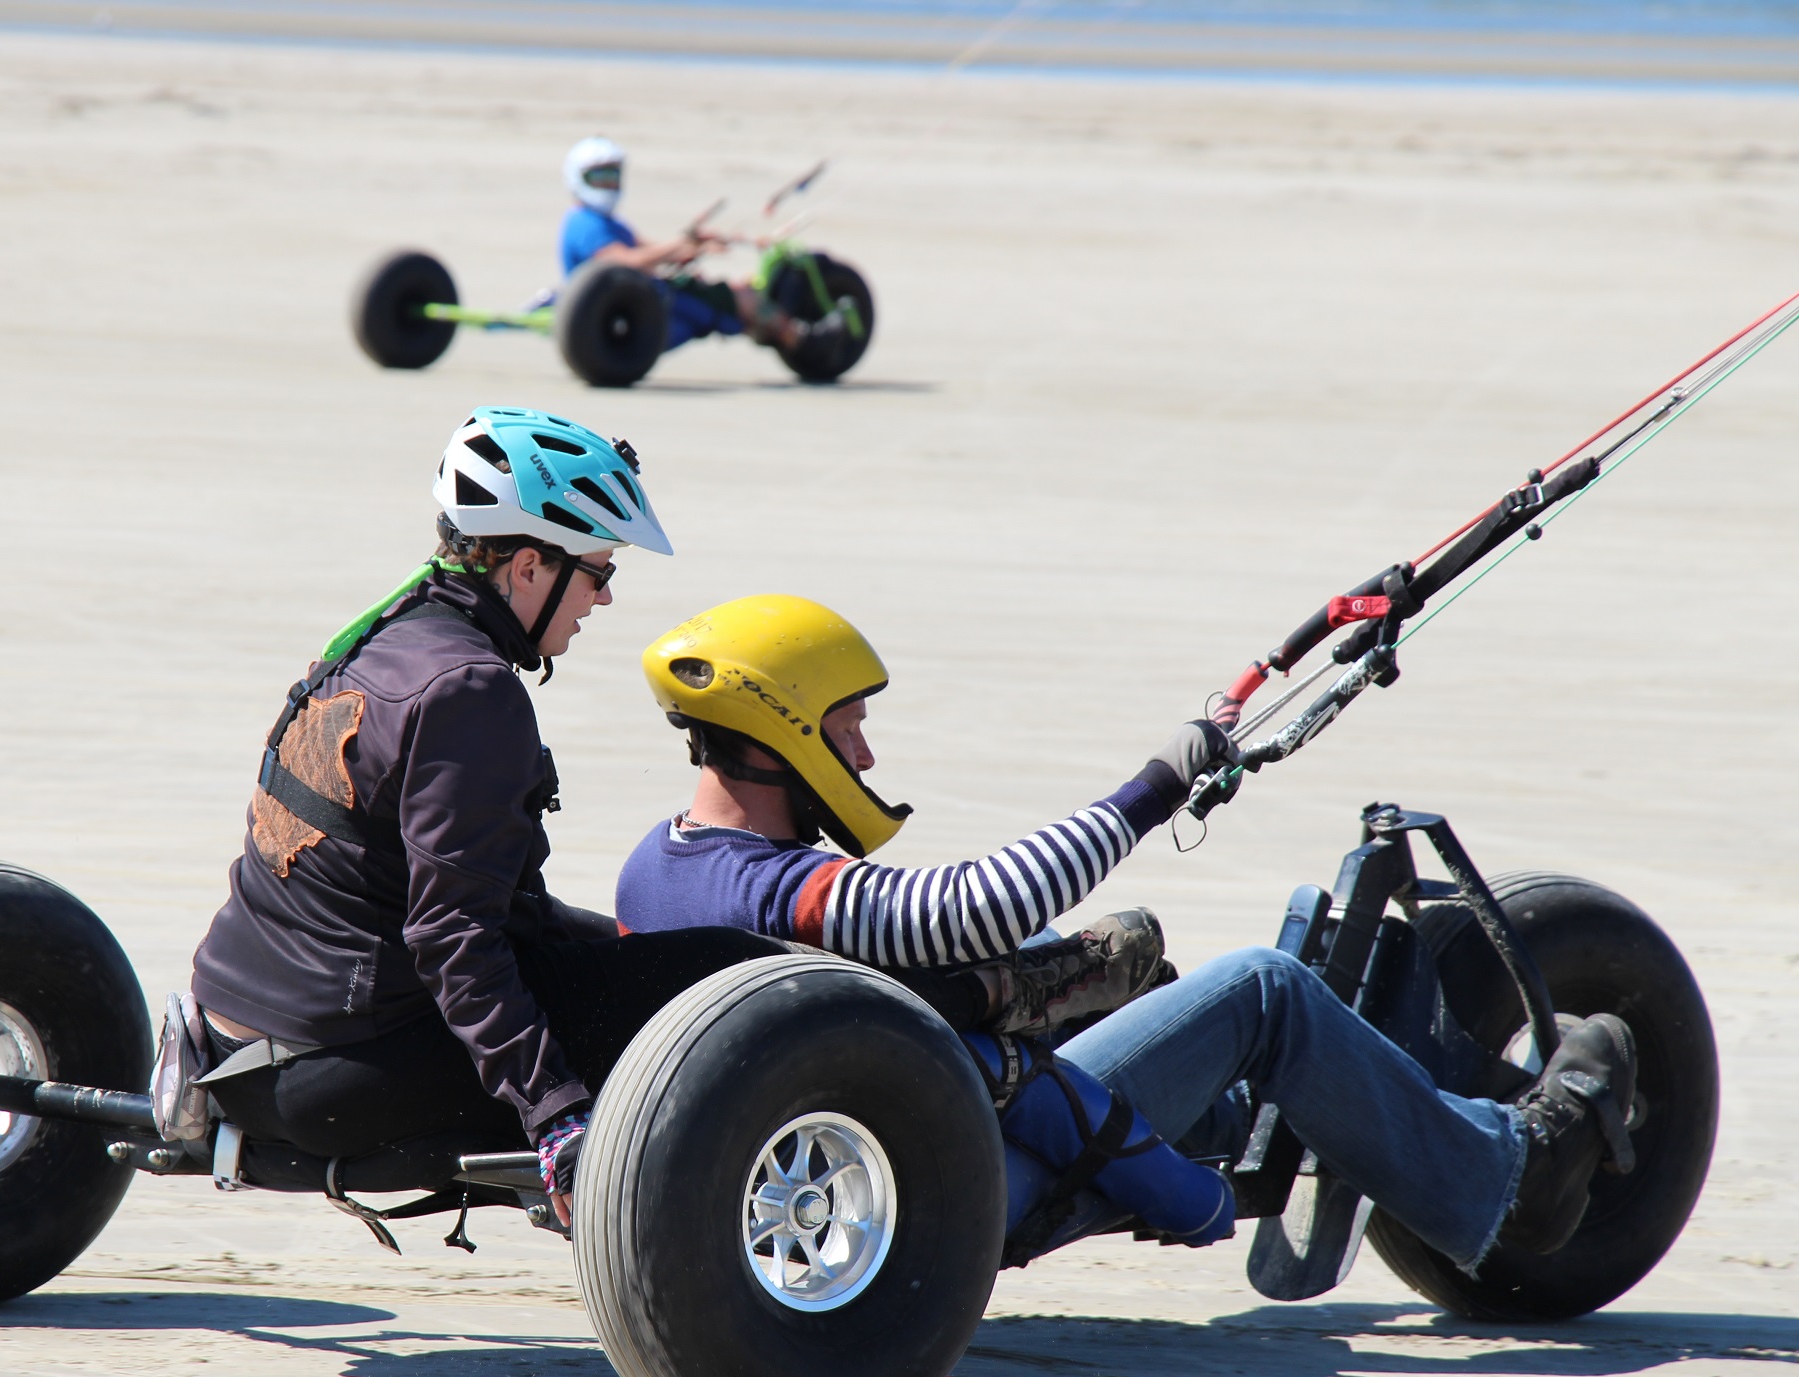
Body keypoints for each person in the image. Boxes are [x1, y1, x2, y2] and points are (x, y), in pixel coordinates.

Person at [614, 594, 1641, 1268]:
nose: (867, 751)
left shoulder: (654, 871)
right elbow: (970, 907)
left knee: (1097, 969)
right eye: (847, 726)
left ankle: (1330, 1113)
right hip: (937, 1179)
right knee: (1263, 988)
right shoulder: (775, 886)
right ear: (785, 730)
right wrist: (1158, 784)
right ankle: (1508, 1178)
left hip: (849, 1159)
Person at [187, 408, 796, 1226]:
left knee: (645, 958)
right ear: (526, 567)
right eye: (596, 569)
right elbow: (454, 940)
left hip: (244, 1030)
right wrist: (558, 1116)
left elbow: (467, 910)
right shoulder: (470, 693)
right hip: (342, 1063)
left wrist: (614, 947)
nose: (607, 596)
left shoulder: (380, 638)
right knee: (735, 984)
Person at [559, 135, 844, 357]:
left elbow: (647, 250)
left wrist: (692, 248)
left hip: (644, 298)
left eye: (613, 175)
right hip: (638, 303)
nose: (608, 184)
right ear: (579, 178)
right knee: (744, 296)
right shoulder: (586, 224)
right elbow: (624, 261)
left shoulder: (605, 221)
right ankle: (807, 343)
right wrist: (683, 243)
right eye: (599, 177)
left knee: (726, 288)